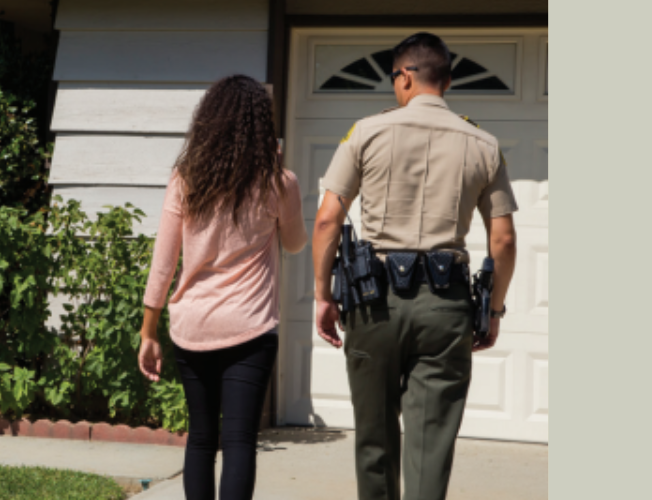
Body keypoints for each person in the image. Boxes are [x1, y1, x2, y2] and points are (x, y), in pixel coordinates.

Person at [311, 32, 518, 500]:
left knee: (374, 441)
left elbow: (327, 220)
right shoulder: (483, 144)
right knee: (431, 447)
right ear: (448, 80)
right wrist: (495, 311)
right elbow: (503, 240)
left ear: (404, 76)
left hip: (372, 302)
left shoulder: (366, 132)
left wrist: (323, 295)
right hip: (445, 306)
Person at [137, 74, 307, 500]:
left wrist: (148, 330)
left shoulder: (185, 177)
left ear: (208, 120)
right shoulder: (278, 182)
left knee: (200, 437)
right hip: (251, 329)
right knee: (238, 442)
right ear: (260, 125)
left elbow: (164, 258)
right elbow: (294, 242)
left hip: (192, 326)